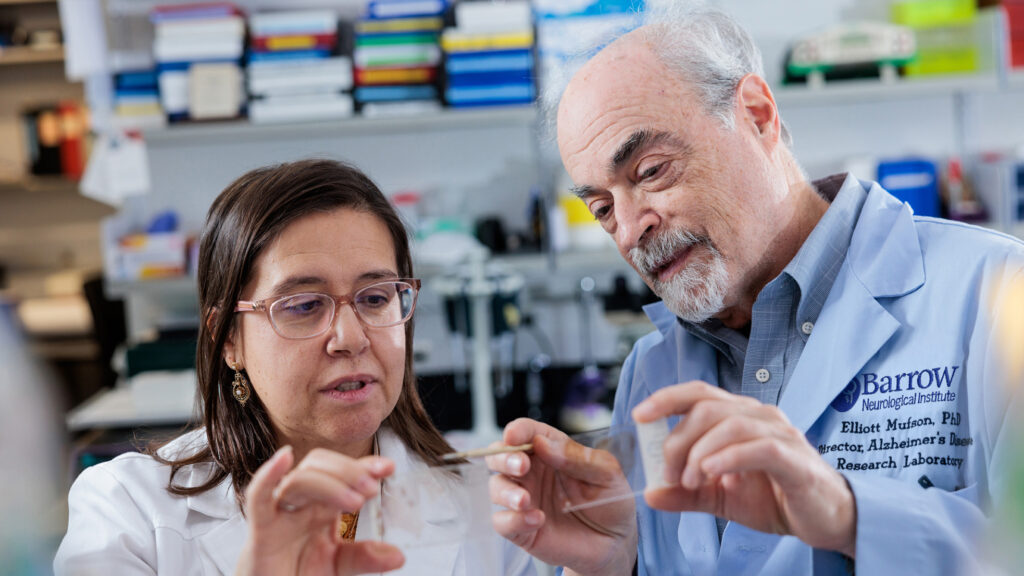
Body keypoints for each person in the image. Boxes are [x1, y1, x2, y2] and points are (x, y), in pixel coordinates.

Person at [488, 4, 1024, 575]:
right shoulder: (649, 375)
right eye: (601, 207)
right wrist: (616, 565)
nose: (629, 228)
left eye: (650, 171)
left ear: (756, 114)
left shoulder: (994, 294)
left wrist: (850, 516)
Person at [55, 159, 536, 576]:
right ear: (228, 340)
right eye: (304, 305)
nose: (350, 337)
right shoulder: (128, 513)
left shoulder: (491, 507)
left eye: (375, 298)